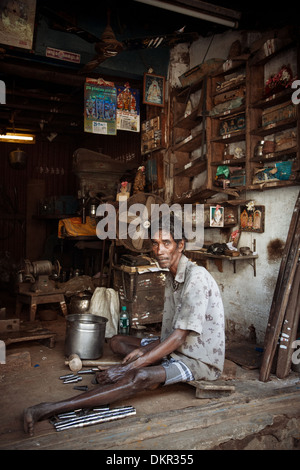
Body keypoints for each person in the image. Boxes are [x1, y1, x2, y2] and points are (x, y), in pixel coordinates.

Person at [23, 215, 225, 436]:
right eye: (155, 244)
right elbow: (169, 335)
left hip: (197, 359)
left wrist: (128, 368)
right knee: (118, 341)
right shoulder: (170, 276)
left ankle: (48, 409)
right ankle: (146, 366)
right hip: (176, 349)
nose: (159, 250)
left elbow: (178, 337)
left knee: (140, 377)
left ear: (181, 245)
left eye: (167, 243)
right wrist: (143, 351)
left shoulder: (196, 277)